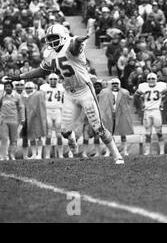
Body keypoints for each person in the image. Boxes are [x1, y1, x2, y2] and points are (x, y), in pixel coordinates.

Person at [4, 24, 124, 164]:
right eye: (50, 38)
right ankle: (72, 138)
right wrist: (20, 77)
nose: (52, 41)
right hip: (69, 93)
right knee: (65, 131)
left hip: (84, 90)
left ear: (62, 36)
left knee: (99, 128)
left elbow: (74, 46)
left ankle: (117, 156)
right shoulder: (49, 53)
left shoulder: (71, 45)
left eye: (54, 37)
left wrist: (79, 40)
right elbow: (42, 71)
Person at [135, 73, 167, 155]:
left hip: (156, 110)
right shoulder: (143, 86)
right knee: (147, 133)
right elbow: (136, 96)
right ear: (147, 80)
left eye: (153, 78)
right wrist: (141, 104)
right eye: (149, 79)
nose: (151, 80)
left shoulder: (161, 86)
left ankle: (162, 151)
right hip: (147, 111)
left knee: (159, 132)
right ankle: (147, 151)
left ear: (156, 79)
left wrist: (163, 102)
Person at [98, 78, 134, 156]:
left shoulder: (124, 92)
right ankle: (109, 151)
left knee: (123, 132)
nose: (115, 85)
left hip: (121, 114)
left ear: (119, 84)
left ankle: (124, 150)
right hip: (109, 114)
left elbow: (128, 102)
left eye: (116, 83)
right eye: (113, 83)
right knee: (109, 133)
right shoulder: (105, 92)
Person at [39, 73, 65, 158]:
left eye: (55, 79)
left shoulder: (62, 87)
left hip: (58, 111)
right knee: (48, 135)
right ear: (48, 80)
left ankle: (60, 154)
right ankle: (47, 155)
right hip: (48, 111)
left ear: (58, 80)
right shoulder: (43, 87)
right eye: (51, 79)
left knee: (59, 135)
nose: (53, 81)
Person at [22, 82, 48, 159]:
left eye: (30, 88)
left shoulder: (38, 95)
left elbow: (41, 107)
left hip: (37, 118)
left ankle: (39, 154)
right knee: (31, 137)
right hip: (28, 118)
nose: (28, 90)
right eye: (27, 88)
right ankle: (34, 154)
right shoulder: (23, 96)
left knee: (39, 137)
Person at [0, 81, 25, 161]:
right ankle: (4, 156)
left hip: (14, 120)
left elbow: (21, 107)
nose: (7, 88)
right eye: (6, 87)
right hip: (4, 120)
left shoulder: (17, 96)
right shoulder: (2, 96)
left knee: (13, 139)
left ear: (12, 87)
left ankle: (12, 155)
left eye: (9, 86)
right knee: (4, 138)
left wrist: (23, 118)